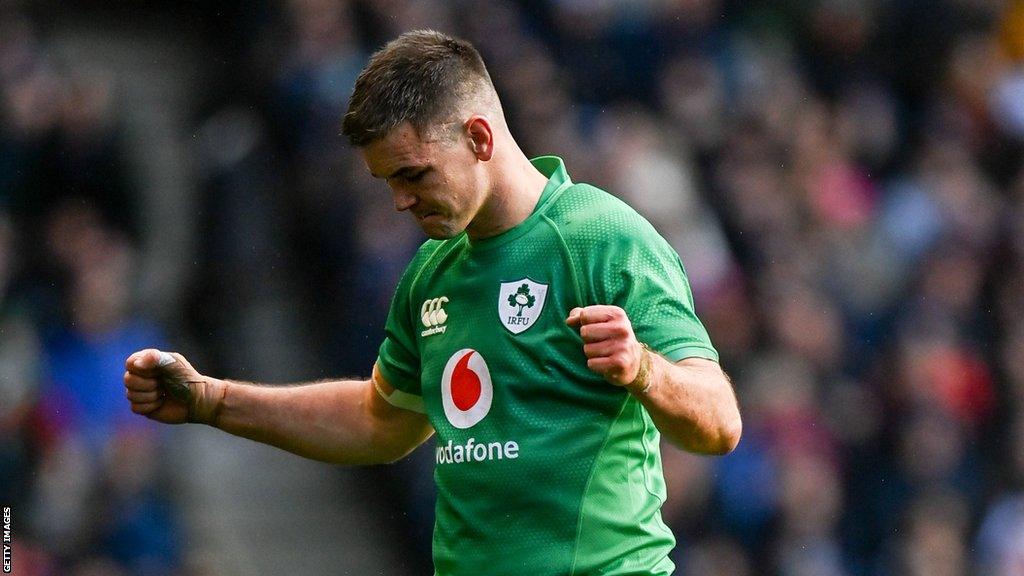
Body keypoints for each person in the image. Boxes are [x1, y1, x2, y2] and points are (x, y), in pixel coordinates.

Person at [123, 30, 742, 576]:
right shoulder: (430, 274)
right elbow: (378, 422)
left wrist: (644, 370)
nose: (398, 200)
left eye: (413, 174)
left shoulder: (604, 241)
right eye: (386, 180)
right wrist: (214, 400)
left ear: (478, 136)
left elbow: (720, 423)